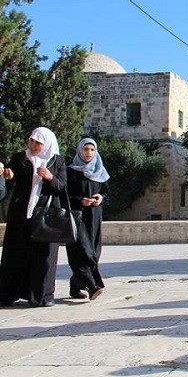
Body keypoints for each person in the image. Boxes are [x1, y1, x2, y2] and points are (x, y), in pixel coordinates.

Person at [0, 127, 67, 307]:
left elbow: (61, 187)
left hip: (45, 215)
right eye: (31, 140)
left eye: (38, 142)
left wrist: (50, 177)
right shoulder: (20, 158)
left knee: (44, 256)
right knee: (15, 252)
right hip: (20, 214)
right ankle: (8, 294)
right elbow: (9, 182)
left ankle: (42, 296)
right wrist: (8, 176)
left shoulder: (57, 161)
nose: (33, 145)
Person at [65, 137, 109, 301]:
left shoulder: (101, 171)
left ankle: (75, 286)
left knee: (94, 252)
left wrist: (101, 198)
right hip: (77, 216)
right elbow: (65, 195)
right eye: (86, 149)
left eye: (92, 150)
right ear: (80, 151)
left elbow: (107, 193)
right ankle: (93, 286)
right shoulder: (71, 171)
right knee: (84, 251)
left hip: (95, 216)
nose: (89, 153)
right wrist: (80, 201)